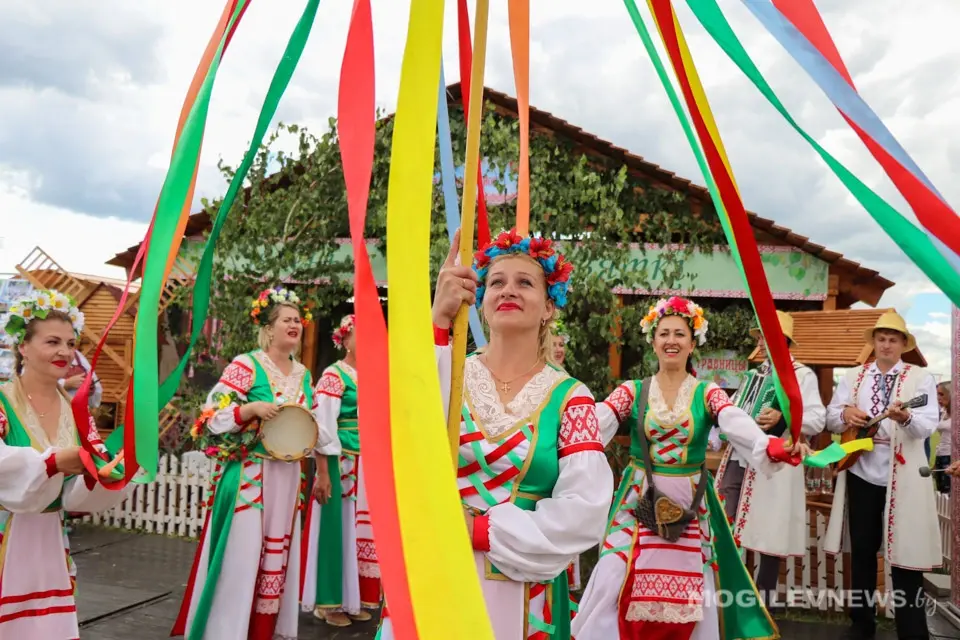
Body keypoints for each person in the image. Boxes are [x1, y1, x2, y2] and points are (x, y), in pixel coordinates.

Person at [377, 229, 613, 639]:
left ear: (548, 308)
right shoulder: (450, 372)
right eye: (497, 282)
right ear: (482, 302)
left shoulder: (571, 398)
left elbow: (585, 510)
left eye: (525, 282)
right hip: (437, 570)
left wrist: (483, 531)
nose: (509, 290)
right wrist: (438, 319)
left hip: (523, 587)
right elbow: (404, 433)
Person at [572, 296, 810, 640]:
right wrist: (555, 429)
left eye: (680, 334)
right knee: (614, 571)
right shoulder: (632, 390)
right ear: (652, 341)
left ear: (693, 341)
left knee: (692, 585)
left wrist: (768, 444)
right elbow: (598, 420)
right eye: (664, 333)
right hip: (637, 500)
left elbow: (732, 419)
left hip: (691, 501)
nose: (671, 340)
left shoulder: (706, 392)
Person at [172, 286, 337, 640]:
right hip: (251, 475)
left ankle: (262, 631)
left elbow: (316, 429)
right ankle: (226, 631)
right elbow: (209, 417)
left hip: (289, 476)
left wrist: (322, 466)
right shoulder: (246, 365)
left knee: (275, 556)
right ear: (269, 327)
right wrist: (249, 409)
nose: (295, 325)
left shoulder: (304, 375)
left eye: (298, 320)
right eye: (287, 320)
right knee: (243, 555)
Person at [0, 288, 129, 638]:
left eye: (71, 344)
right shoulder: (1, 400)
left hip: (49, 540)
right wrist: (54, 462)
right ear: (22, 346)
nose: (65, 352)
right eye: (52, 341)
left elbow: (89, 474)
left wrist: (102, 476)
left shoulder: (77, 412)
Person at [825, 311, 940, 640]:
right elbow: (832, 419)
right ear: (873, 342)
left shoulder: (920, 379)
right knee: (861, 551)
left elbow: (926, 424)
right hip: (862, 469)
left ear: (904, 344)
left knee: (906, 555)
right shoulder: (854, 376)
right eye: (881, 338)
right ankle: (861, 625)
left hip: (902, 474)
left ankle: (913, 631)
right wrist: (847, 412)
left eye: (893, 339)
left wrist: (904, 417)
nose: (886, 344)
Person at [715, 310, 825, 609]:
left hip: (774, 465)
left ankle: (762, 605)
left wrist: (784, 416)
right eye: (760, 336)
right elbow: (735, 411)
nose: (761, 342)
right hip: (738, 458)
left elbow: (817, 419)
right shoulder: (752, 375)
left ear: (783, 341)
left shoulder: (801, 375)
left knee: (768, 532)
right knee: (724, 525)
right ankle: (727, 598)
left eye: (767, 336)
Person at [301, 314, 380, 626]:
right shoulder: (334, 376)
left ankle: (355, 598)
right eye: (359, 334)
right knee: (339, 528)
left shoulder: (375, 375)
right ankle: (329, 602)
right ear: (344, 340)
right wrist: (323, 470)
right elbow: (322, 426)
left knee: (363, 532)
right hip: (340, 460)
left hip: (370, 462)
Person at [934, 382, 952, 493]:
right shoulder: (944, 411)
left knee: (949, 493)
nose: (938, 398)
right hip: (941, 455)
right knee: (941, 492)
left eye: (941, 394)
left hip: (952, 457)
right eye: (937, 394)